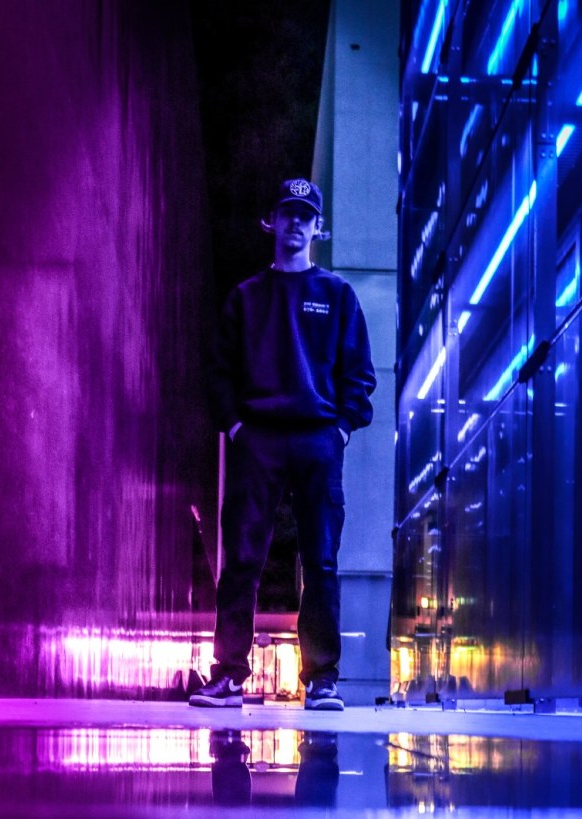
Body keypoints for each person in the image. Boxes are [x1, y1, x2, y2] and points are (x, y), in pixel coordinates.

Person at [189, 178, 376, 711]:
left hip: (319, 439)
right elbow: (218, 372)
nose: (295, 222)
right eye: (287, 213)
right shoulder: (246, 298)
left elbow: (359, 374)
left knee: (321, 561)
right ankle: (229, 676)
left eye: (305, 215)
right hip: (259, 440)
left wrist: (342, 427)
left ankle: (321, 681)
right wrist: (237, 426)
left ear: (318, 227)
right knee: (242, 558)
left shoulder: (337, 295)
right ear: (271, 221)